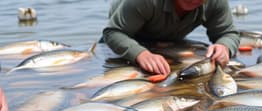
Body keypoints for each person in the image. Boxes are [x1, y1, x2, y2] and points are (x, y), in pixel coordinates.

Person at [102, 0, 240, 76]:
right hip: (127, 35)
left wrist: (224, 46)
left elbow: (228, 33)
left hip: (169, 42)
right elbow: (113, 33)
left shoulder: (216, 2)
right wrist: (140, 54)